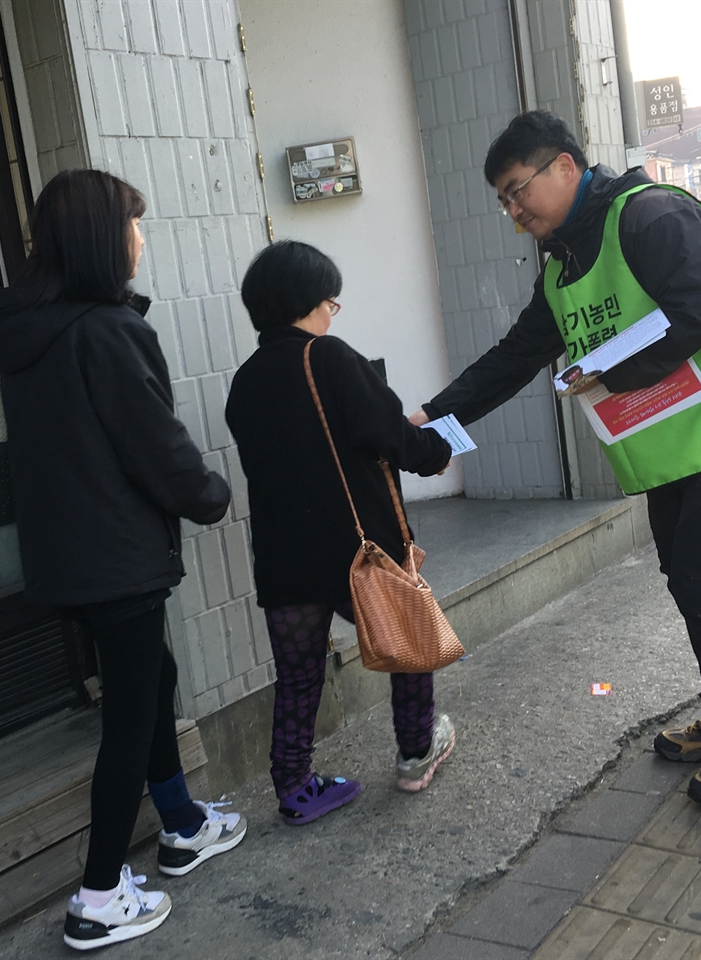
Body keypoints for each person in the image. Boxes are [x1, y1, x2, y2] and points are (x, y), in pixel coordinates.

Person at [408, 111, 701, 810]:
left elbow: (700, 311)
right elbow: (516, 357)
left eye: (517, 189)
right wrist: (433, 415)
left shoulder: (650, 217)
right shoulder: (564, 267)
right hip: (678, 441)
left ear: (565, 166)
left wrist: (606, 372)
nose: (513, 209)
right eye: (502, 199)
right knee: (689, 580)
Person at [0, 170, 246, 951]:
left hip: (72, 554)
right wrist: (209, 493)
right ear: (103, 238)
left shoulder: (32, 332)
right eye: (134, 225)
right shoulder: (103, 330)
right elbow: (155, 444)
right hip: (117, 554)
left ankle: (184, 825)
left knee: (152, 679)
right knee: (130, 717)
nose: (141, 239)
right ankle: (98, 894)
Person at [225, 240, 456, 824]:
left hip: (284, 555)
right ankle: (414, 753)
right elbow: (388, 434)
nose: (333, 312)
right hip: (359, 548)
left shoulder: (244, 381)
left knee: (298, 674)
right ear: (311, 303)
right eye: (332, 301)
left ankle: (295, 787)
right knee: (406, 644)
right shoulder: (328, 356)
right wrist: (437, 452)